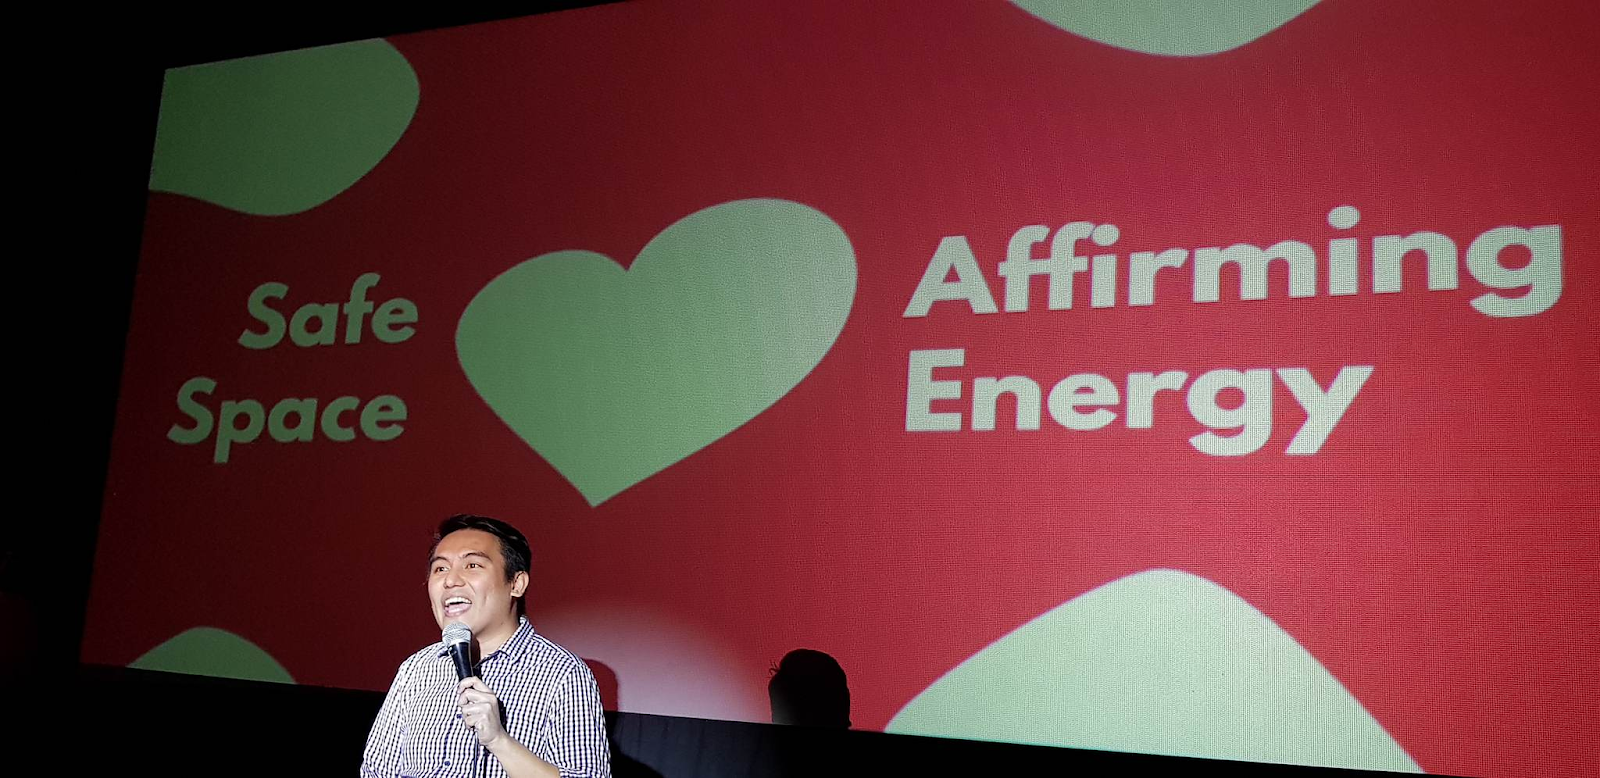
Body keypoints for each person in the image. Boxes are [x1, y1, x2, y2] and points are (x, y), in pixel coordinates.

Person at [361, 514, 611, 777]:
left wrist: (498, 740)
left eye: (472, 565)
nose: (450, 581)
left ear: (516, 584)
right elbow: (376, 771)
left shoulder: (562, 673)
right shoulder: (417, 669)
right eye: (440, 569)